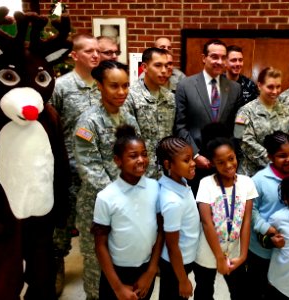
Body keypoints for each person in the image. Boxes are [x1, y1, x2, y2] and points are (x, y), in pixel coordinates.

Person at [73, 60, 140, 299]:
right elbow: (90, 168)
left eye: (125, 86)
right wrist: (122, 195)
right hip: (98, 208)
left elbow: (137, 157)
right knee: (97, 272)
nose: (121, 92)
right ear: (99, 86)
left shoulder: (129, 120)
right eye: (114, 86)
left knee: (121, 265)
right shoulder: (88, 122)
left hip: (128, 204)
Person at [50, 33, 101, 295]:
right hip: (69, 167)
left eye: (98, 51)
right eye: (89, 51)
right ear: (75, 55)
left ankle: (96, 267)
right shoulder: (61, 86)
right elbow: (50, 124)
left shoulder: (102, 84)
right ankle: (57, 263)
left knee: (95, 223)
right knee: (63, 220)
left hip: (96, 169)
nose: (95, 55)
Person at [92, 125, 163, 300]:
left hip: (146, 269)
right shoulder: (106, 197)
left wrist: (151, 271)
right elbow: (100, 244)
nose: (141, 160)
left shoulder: (155, 188)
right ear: (118, 160)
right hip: (116, 273)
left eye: (144, 154)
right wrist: (117, 288)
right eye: (133, 156)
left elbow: (162, 230)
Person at [193, 126, 258, 300]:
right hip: (207, 253)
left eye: (231, 158)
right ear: (213, 163)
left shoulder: (247, 183)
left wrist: (243, 255)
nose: (229, 165)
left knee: (240, 292)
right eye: (221, 162)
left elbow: (246, 221)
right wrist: (219, 258)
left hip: (235, 253)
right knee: (204, 291)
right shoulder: (206, 184)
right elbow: (207, 223)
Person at [174, 39, 242, 193]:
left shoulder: (235, 89)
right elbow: (180, 125)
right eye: (214, 56)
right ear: (204, 58)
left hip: (225, 163)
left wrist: (230, 154)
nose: (219, 61)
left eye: (223, 57)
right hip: (195, 162)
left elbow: (237, 126)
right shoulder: (185, 85)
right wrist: (196, 155)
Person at [245, 131, 289, 300]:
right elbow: (251, 210)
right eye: (282, 156)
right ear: (270, 156)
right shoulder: (259, 180)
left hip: (286, 247)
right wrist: (267, 229)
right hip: (262, 248)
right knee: (257, 286)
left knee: (279, 288)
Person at [156, 136, 200, 300]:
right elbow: (172, 246)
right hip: (175, 265)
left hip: (184, 259)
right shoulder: (172, 201)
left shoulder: (180, 180)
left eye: (192, 158)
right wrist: (183, 280)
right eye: (186, 160)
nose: (193, 163)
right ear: (168, 165)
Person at [234, 67, 289, 176]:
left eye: (278, 87)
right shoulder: (243, 112)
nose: (275, 91)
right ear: (259, 85)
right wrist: (273, 160)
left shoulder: (286, 110)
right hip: (251, 174)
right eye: (270, 87)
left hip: (279, 173)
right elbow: (241, 140)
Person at [128, 47, 175, 179]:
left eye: (167, 66)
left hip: (166, 173)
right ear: (145, 67)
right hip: (140, 173)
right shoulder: (130, 96)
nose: (164, 71)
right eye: (158, 65)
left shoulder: (170, 97)